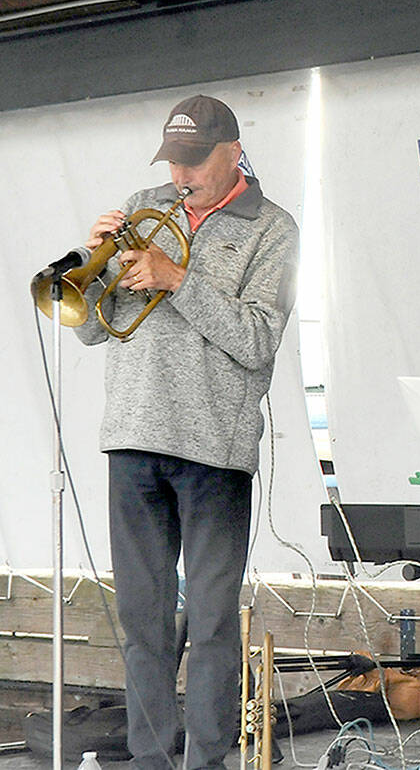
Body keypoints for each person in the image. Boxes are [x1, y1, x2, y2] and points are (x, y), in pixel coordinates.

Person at [75, 94, 299, 770]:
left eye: (195, 161)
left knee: (209, 624)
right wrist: (90, 263)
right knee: (143, 626)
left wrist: (179, 279)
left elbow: (258, 339)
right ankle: (150, 761)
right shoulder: (145, 202)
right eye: (173, 161)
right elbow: (89, 328)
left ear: (233, 151)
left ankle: (206, 761)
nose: (180, 177)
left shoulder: (273, 229)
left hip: (214, 452)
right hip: (133, 439)